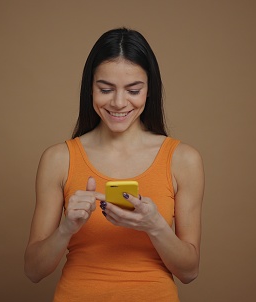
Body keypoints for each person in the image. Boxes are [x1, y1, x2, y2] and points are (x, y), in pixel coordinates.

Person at [24, 27, 205, 301]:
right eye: (106, 89)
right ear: (90, 88)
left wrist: (154, 225)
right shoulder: (58, 159)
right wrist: (66, 229)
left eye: (133, 90)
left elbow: (189, 272)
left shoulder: (184, 160)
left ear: (149, 90)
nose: (119, 103)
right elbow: (33, 270)